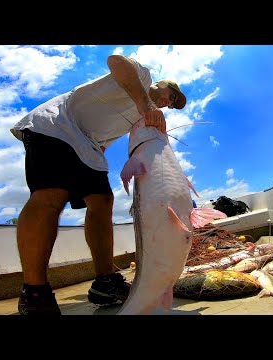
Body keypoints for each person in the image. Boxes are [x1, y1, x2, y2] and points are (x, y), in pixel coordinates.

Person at [10, 54, 187, 315]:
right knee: (51, 195)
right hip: (56, 125)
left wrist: (99, 155)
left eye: (172, 103)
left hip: (87, 146)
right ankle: (35, 292)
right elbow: (116, 60)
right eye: (170, 95)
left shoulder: (133, 121)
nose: (168, 102)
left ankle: (105, 282)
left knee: (103, 201)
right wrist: (144, 103)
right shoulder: (142, 77)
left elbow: (106, 136)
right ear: (162, 85)